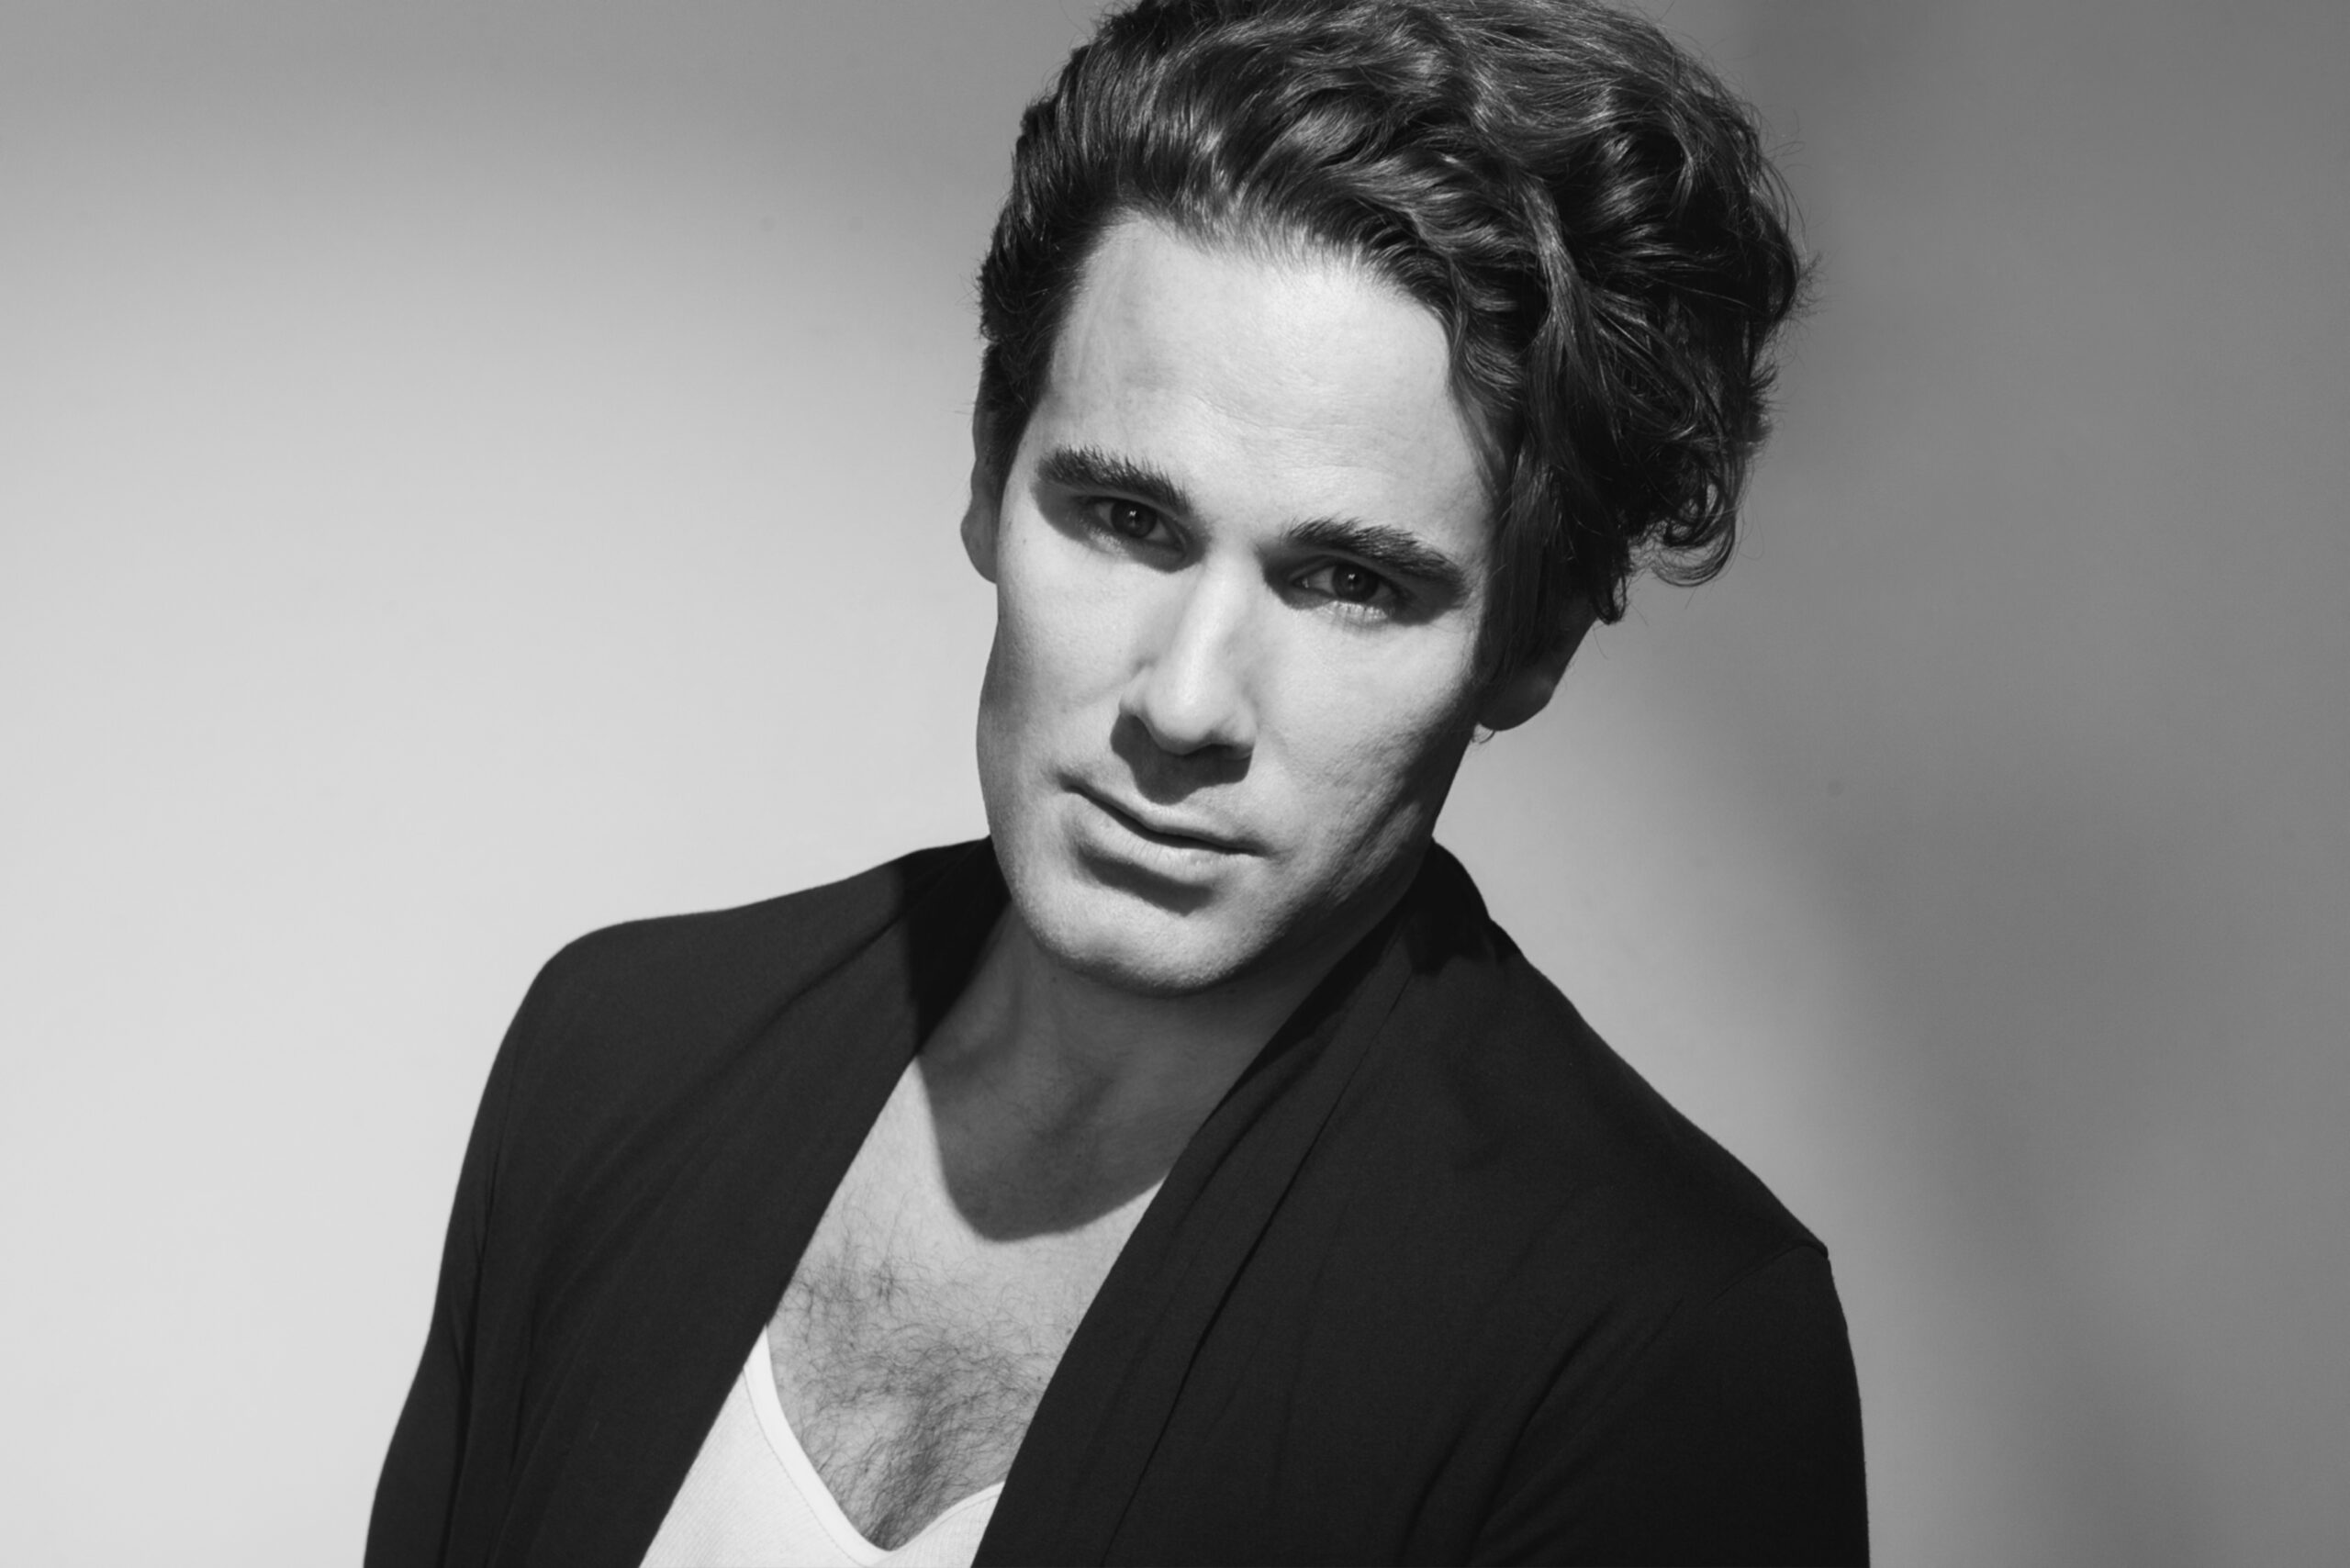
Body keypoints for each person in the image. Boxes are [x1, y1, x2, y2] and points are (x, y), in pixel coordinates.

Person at [367, 1, 1865, 1562]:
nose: (1185, 701)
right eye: (1129, 520)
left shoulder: (1656, 1350)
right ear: (989, 471)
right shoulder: (622, 1055)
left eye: (1350, 582)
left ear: (1530, 644)